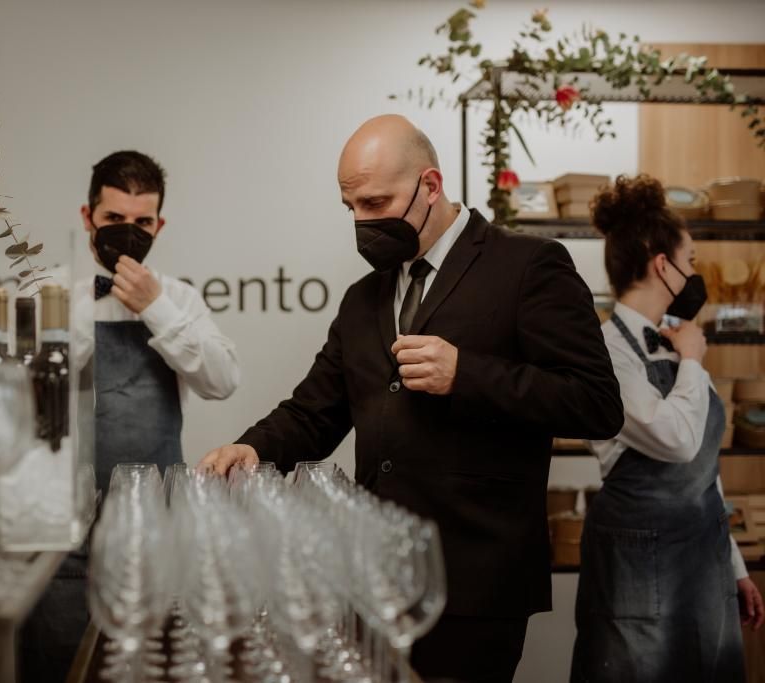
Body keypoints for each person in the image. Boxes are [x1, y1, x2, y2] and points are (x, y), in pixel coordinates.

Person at [198, 114, 623, 683]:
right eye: (350, 207)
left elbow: (596, 402)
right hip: (372, 581)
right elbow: (314, 410)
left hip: (477, 583)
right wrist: (252, 449)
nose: (361, 221)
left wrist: (467, 374)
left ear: (430, 185)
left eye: (375, 203)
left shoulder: (528, 265)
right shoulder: (363, 298)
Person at [19, 150, 240, 683]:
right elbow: (25, 393)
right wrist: (80, 315)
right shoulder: (46, 294)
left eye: (142, 223)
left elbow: (222, 380)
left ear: (159, 226)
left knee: (151, 668)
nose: (127, 232)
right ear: (87, 217)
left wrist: (155, 308)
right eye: (114, 218)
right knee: (61, 668)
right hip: (62, 532)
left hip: (157, 529)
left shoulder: (180, 298)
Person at [571, 175, 763, 682]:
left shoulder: (677, 342)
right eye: (691, 260)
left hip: (705, 561)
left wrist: (734, 567)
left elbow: (704, 470)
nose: (695, 274)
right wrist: (694, 359)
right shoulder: (606, 351)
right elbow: (675, 440)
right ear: (663, 265)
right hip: (638, 568)